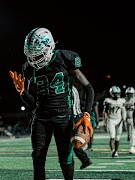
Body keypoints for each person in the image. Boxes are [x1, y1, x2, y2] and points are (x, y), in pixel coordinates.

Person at [9, 27, 95, 180]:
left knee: (65, 157)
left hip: (63, 116)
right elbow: (32, 103)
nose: (34, 60)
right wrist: (22, 92)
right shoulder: (28, 68)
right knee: (38, 156)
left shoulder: (64, 58)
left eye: (38, 55)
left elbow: (88, 88)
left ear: (49, 48)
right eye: (32, 56)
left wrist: (86, 113)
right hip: (41, 117)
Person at [71, 86, 92, 169]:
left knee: (68, 144)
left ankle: (84, 160)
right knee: (73, 142)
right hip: (78, 116)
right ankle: (85, 159)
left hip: (71, 117)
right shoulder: (74, 88)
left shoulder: (65, 87)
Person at [103, 85, 126, 158]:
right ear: (112, 93)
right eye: (116, 93)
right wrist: (105, 121)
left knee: (117, 138)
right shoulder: (108, 100)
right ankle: (112, 150)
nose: (117, 94)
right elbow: (105, 112)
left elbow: (123, 111)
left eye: (118, 93)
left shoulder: (122, 100)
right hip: (111, 120)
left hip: (119, 120)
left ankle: (116, 151)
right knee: (112, 136)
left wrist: (123, 119)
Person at [124, 86, 135, 154]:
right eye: (129, 93)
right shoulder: (124, 100)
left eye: (131, 93)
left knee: (132, 133)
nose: (130, 95)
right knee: (129, 134)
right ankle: (134, 146)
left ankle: (132, 146)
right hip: (127, 119)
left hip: (134, 118)